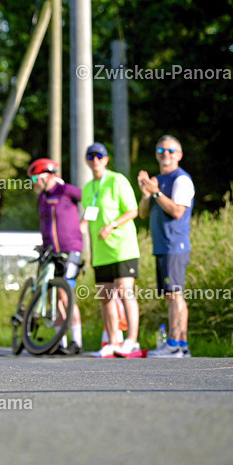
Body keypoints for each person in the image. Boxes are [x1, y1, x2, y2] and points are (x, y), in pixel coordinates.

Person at [80, 142, 142, 358]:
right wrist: (90, 252)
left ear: (106, 160)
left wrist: (112, 225)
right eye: (91, 157)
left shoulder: (117, 180)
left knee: (125, 292)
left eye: (99, 156)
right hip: (101, 252)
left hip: (123, 248)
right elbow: (90, 221)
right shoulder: (88, 188)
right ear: (87, 161)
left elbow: (132, 211)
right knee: (105, 297)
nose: (95, 160)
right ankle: (114, 342)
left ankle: (132, 340)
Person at [139, 135, 195, 357]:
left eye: (171, 151)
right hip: (162, 246)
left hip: (175, 245)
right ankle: (181, 345)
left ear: (179, 155)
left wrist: (156, 192)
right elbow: (143, 213)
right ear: (156, 154)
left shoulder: (181, 179)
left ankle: (173, 344)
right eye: (161, 150)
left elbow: (178, 211)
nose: (166, 154)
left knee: (175, 295)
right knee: (173, 295)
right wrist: (146, 195)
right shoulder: (158, 180)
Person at [27, 158, 84, 354]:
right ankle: (60, 343)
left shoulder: (66, 190)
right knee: (56, 296)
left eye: (35, 179)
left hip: (71, 249)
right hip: (52, 251)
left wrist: (84, 224)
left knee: (66, 295)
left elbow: (92, 201)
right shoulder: (42, 198)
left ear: (47, 177)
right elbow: (45, 224)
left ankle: (77, 342)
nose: (33, 183)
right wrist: (43, 245)